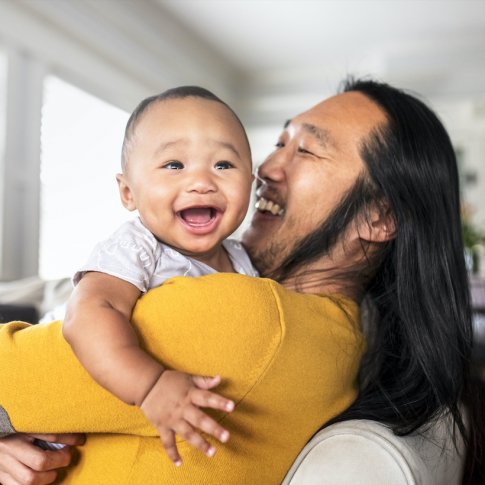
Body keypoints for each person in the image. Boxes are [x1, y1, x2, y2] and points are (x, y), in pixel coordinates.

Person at [0, 78, 474, 484]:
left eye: (305, 149)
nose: (264, 170)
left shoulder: (248, 318)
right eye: (280, 143)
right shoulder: (345, 341)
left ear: (377, 216)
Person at [61, 86, 258, 466]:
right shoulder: (138, 246)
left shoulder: (244, 261)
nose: (202, 181)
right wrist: (149, 385)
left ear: (249, 183)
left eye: (223, 165)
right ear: (128, 192)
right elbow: (87, 313)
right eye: (174, 165)